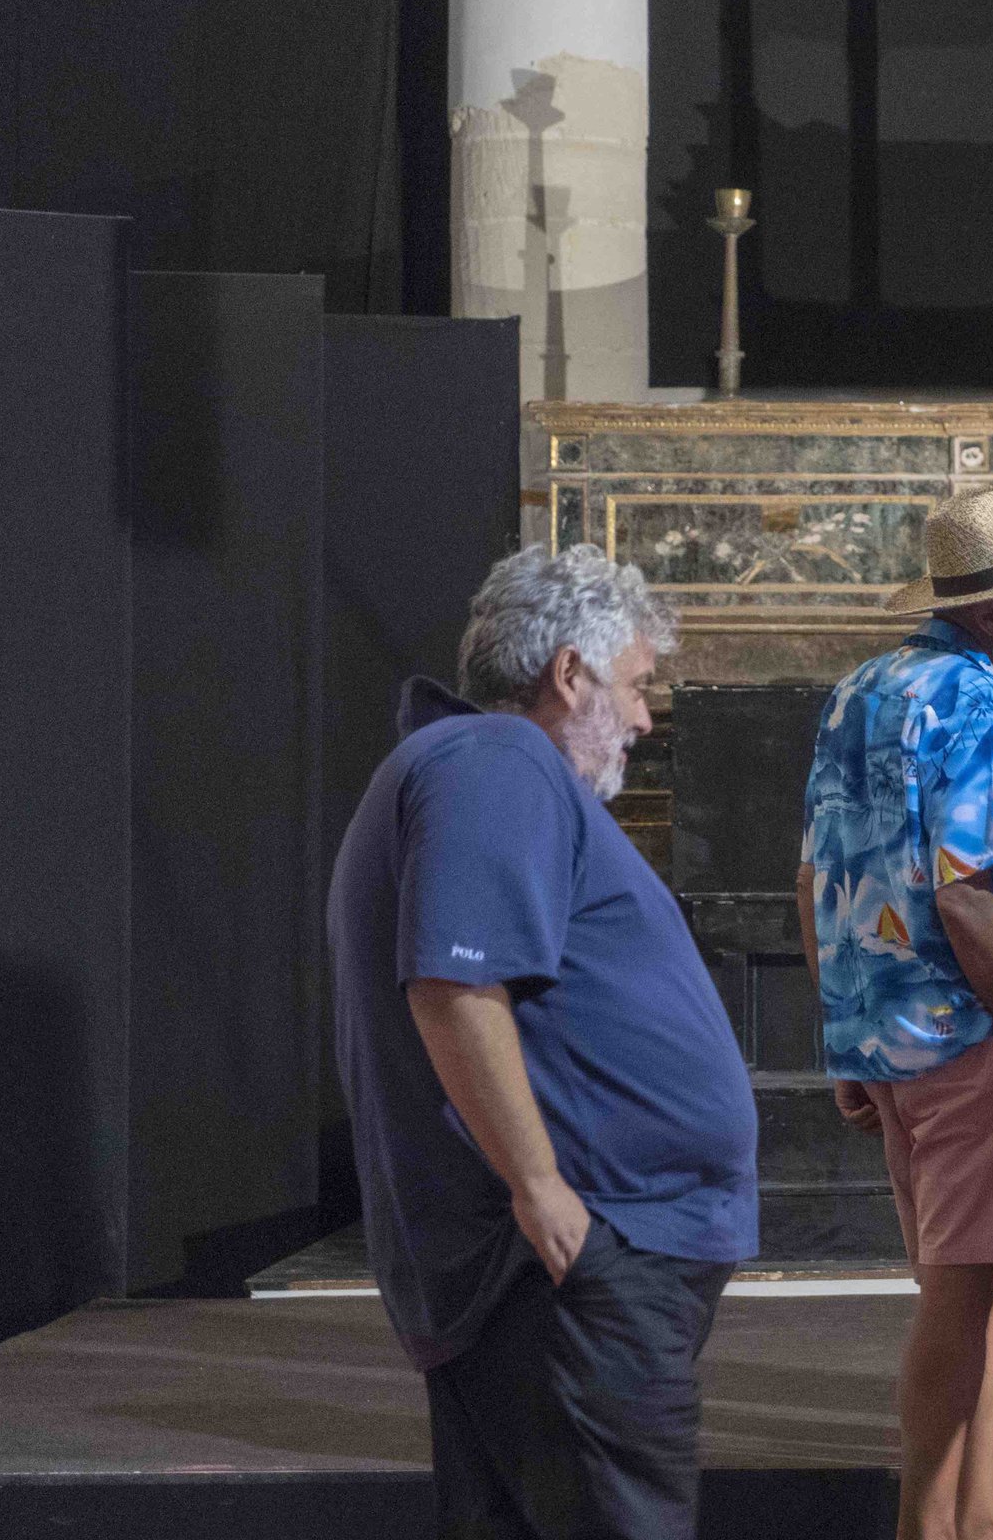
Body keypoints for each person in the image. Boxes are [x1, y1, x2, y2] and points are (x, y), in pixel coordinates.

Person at [330, 543, 757, 1540]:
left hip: (573, 1270)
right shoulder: (495, 760)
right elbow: (455, 983)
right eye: (638, 684)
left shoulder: (483, 769)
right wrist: (541, 1186)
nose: (646, 720)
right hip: (567, 1272)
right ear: (570, 671)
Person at [802, 485, 993, 1540]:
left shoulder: (861, 688)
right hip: (970, 1034)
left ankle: (981, 1512)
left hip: (887, 1034)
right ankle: (927, 1526)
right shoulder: (975, 704)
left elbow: (817, 879)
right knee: (961, 1297)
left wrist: (844, 1032)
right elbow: (967, 891)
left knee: (983, 1281)